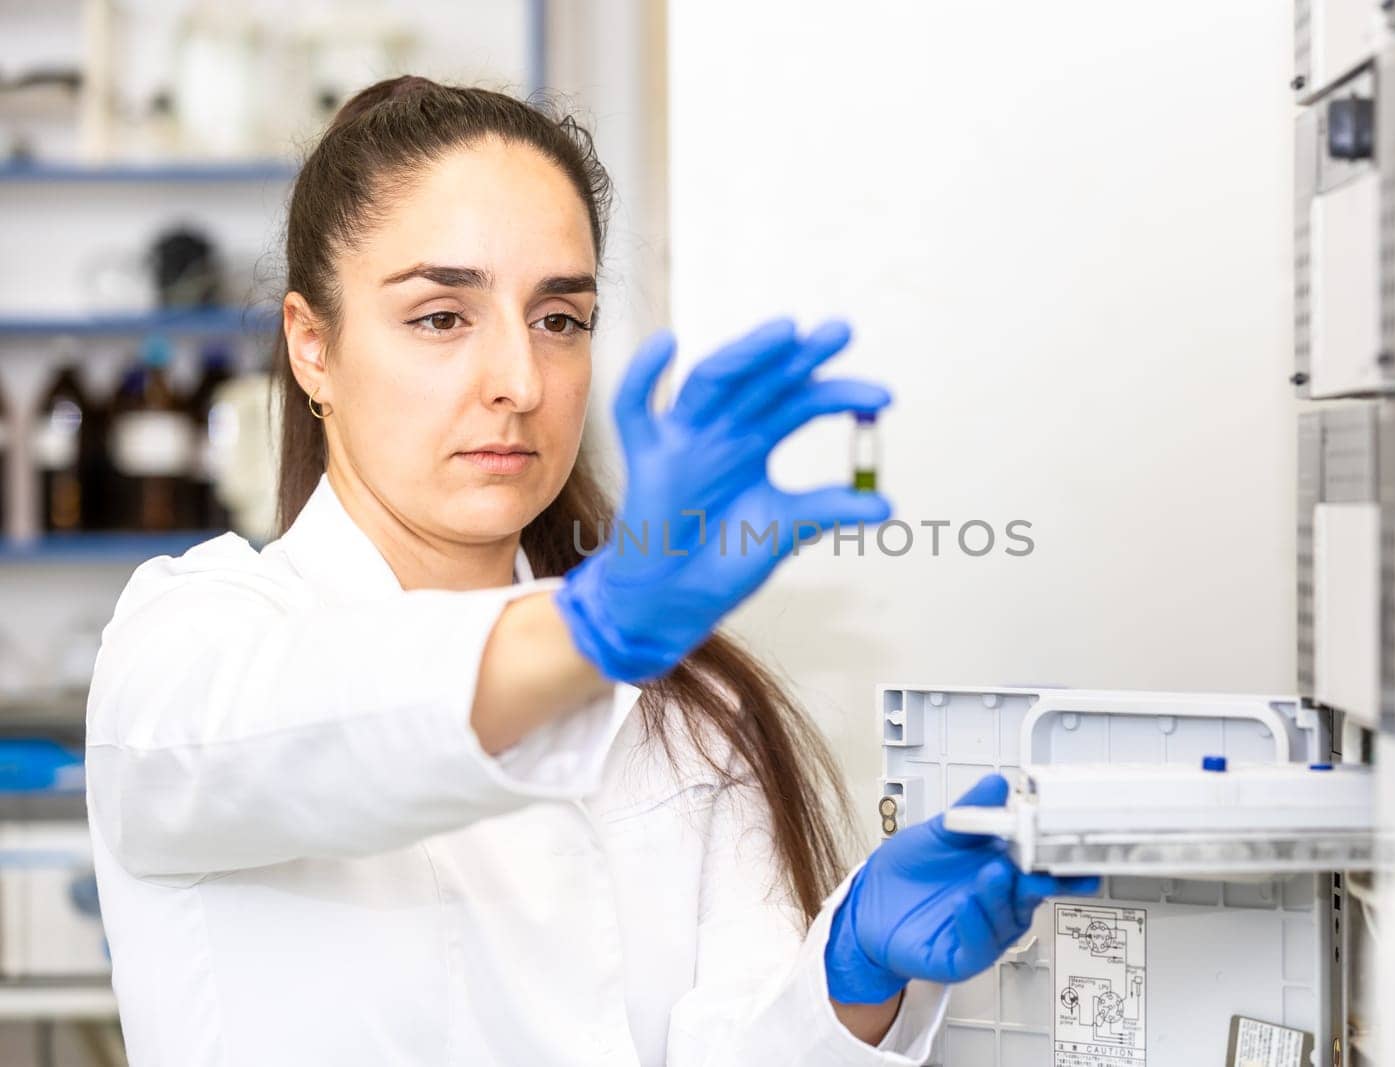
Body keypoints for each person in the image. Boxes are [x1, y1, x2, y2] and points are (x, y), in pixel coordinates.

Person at [84, 77, 1098, 1066]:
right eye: (442, 315)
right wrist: (590, 627)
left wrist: (853, 977)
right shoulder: (194, 642)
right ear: (313, 346)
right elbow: (313, 726)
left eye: (559, 319)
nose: (521, 382)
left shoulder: (686, 708)